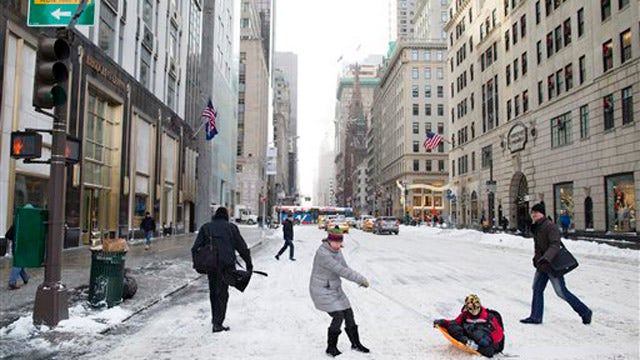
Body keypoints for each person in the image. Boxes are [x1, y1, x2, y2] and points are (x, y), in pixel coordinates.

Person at [520, 203, 592, 325]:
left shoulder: (550, 226)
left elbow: (555, 244)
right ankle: (536, 316)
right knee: (537, 289)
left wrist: (546, 258)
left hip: (552, 264)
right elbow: (538, 246)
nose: (534, 215)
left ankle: (585, 311)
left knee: (561, 292)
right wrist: (536, 259)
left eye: (536, 213)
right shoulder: (537, 227)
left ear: (542, 213)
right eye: (532, 213)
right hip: (542, 264)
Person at [309, 230, 370, 357]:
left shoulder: (337, 251)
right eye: (334, 241)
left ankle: (356, 343)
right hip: (322, 289)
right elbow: (341, 270)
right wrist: (359, 279)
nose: (337, 244)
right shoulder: (323, 254)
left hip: (334, 287)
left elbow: (345, 267)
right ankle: (331, 347)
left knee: (348, 312)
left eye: (339, 242)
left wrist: (360, 280)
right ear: (328, 240)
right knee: (338, 316)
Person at [192, 207, 252, 333]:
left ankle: (215, 320)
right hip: (227, 266)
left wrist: (199, 265)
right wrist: (249, 264)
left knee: (213, 292)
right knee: (222, 294)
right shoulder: (231, 228)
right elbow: (242, 247)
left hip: (211, 266)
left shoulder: (206, 227)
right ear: (226, 216)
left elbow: (195, 248)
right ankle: (218, 323)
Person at [433, 294, 504, 358]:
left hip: (485, 342)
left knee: (482, 341)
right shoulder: (465, 315)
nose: (474, 310)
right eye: (470, 308)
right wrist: (443, 322)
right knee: (453, 325)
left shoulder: (489, 316)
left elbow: (499, 332)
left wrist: (485, 343)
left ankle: (476, 346)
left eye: (476, 307)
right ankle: (466, 341)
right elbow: (454, 323)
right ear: (467, 307)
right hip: (470, 337)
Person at [6, 225, 30, 290]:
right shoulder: (28, 225)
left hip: (15, 247)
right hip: (23, 247)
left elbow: (8, 235)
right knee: (18, 264)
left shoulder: (16, 223)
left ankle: (25, 277)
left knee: (20, 263)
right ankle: (12, 283)